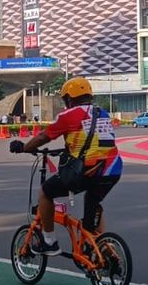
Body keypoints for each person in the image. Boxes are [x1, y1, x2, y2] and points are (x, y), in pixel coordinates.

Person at [9, 77, 122, 254]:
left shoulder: (68, 115)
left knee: (46, 192)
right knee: (93, 202)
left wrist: (24, 147)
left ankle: (49, 241)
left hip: (87, 171)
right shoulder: (102, 113)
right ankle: (103, 247)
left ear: (69, 99)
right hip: (112, 169)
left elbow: (42, 138)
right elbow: (92, 140)